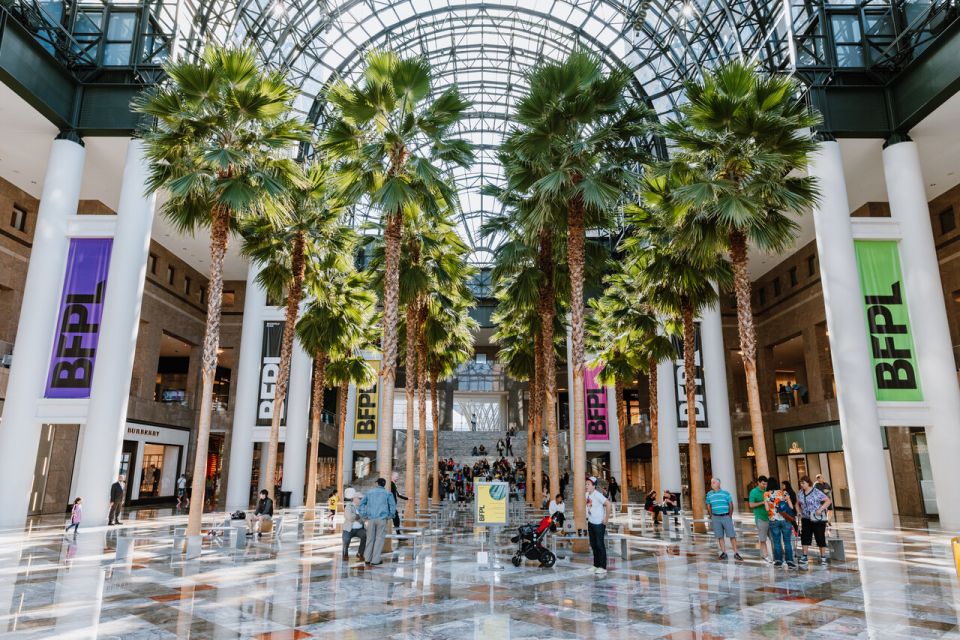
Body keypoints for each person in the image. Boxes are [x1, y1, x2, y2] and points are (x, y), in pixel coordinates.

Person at [359, 478, 397, 566]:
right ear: (384, 484)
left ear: (377, 484)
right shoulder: (388, 493)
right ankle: (375, 560)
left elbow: (361, 504)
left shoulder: (370, 492)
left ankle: (367, 559)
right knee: (379, 539)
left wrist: (364, 514)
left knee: (370, 539)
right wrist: (390, 515)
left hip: (371, 519)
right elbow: (392, 506)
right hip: (382, 519)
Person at [797, 475, 831, 566]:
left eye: (803, 483)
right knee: (805, 537)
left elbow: (828, 501)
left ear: (808, 483)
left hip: (817, 518)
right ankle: (804, 556)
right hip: (806, 519)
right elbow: (797, 504)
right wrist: (799, 511)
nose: (802, 485)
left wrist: (820, 509)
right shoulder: (800, 492)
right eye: (801, 483)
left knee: (820, 537)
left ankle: (823, 557)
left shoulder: (816, 492)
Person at [706, 478, 742, 561]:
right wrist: (711, 515)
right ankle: (724, 552)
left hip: (726, 516)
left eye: (714, 482)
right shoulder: (709, 494)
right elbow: (708, 505)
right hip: (715, 517)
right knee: (719, 536)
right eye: (711, 482)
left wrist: (730, 515)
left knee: (732, 535)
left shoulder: (726, 493)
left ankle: (736, 553)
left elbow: (730, 504)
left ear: (718, 484)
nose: (712, 484)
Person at [765, 477, 796, 568]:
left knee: (777, 541)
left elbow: (767, 509)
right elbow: (791, 507)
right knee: (787, 541)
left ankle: (778, 561)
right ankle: (790, 561)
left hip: (773, 520)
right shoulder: (784, 493)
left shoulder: (766, 494)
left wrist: (772, 507)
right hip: (785, 519)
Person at [585, 476, 611, 575]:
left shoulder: (597, 495)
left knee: (600, 545)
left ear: (594, 486)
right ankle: (596, 565)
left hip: (599, 524)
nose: (586, 486)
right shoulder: (587, 494)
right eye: (586, 484)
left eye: (588, 484)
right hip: (591, 522)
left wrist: (606, 518)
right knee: (593, 545)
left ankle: (603, 567)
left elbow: (608, 504)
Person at [748, 475, 771, 563]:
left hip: (770, 517)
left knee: (773, 538)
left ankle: (774, 555)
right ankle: (765, 555)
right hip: (760, 518)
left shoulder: (767, 491)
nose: (764, 486)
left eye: (766, 484)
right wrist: (762, 502)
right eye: (763, 484)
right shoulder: (753, 492)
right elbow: (751, 505)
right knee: (763, 539)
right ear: (758, 482)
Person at [341, 489, 366, 561]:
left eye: (362, 499)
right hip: (349, 529)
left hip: (360, 529)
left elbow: (364, 518)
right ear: (354, 499)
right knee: (346, 540)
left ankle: (360, 553)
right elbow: (349, 517)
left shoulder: (362, 507)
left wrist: (356, 516)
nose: (361, 500)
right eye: (360, 498)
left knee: (366, 535)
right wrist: (358, 516)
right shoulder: (349, 506)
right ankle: (345, 554)